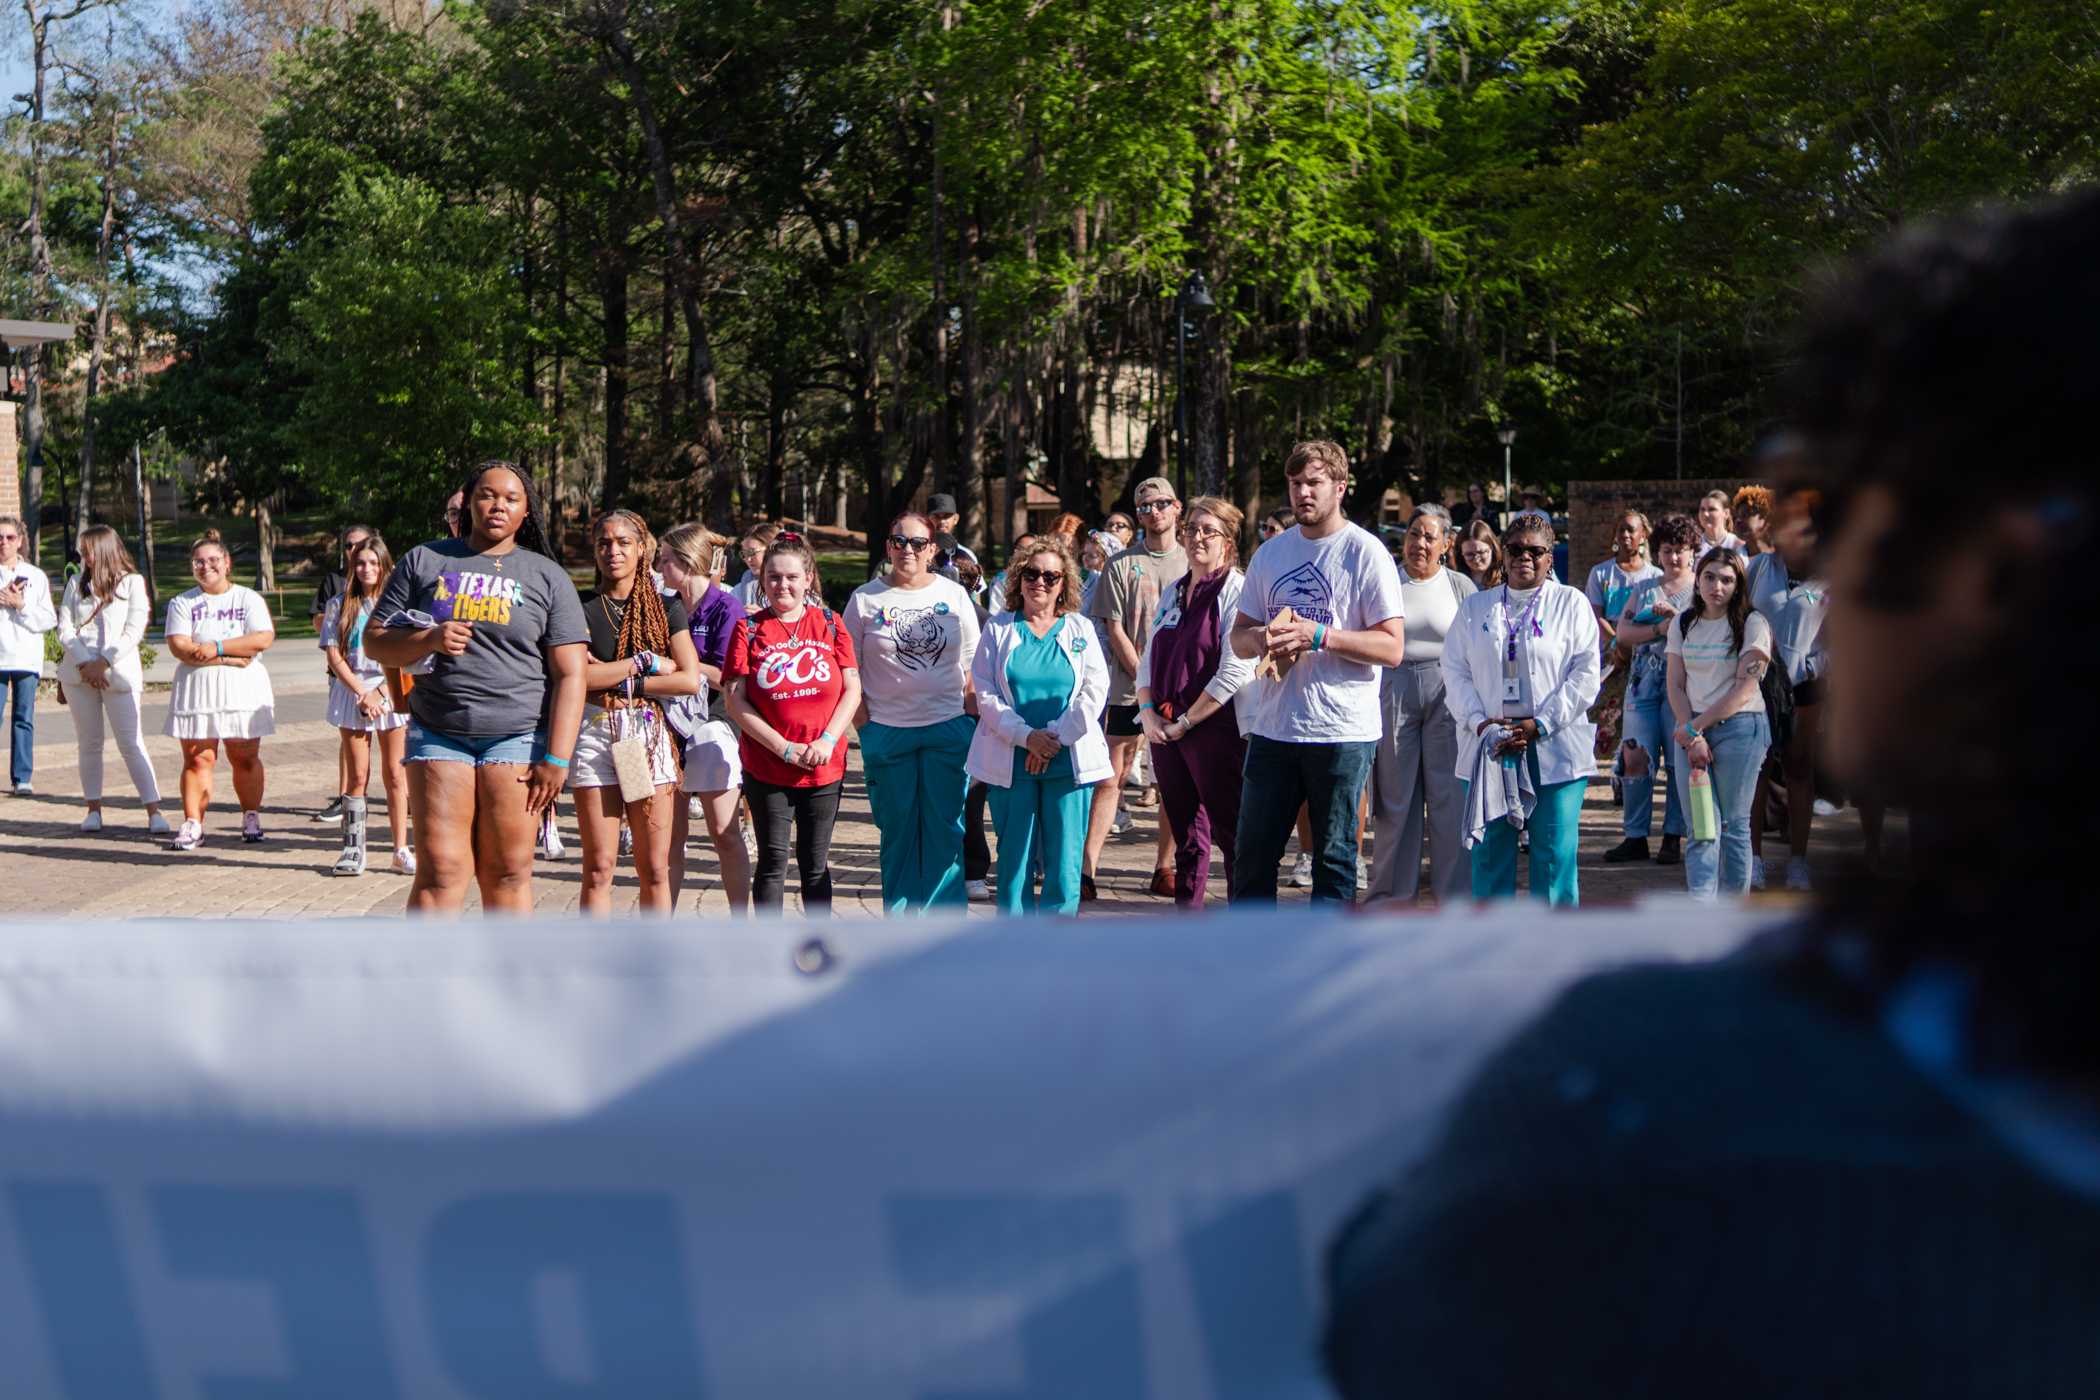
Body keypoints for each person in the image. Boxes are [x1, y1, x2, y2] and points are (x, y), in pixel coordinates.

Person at [1327, 193, 2100, 1400]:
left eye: (1825, 505)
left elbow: (1399, 1319)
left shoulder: (1650, 1102)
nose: (1820, 562)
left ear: (1994, 568)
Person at [367, 461, 588, 914]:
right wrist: (428, 638)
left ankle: (505, 981)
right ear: (468, 502)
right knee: (442, 869)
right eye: (488, 495)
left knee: (507, 870)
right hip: (439, 732)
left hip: (518, 738)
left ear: (526, 512)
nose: (498, 506)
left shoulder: (546, 575)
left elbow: (571, 674)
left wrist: (558, 758)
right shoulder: (425, 559)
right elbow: (375, 641)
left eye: (511, 498)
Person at [1228, 440, 1406, 904]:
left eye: (1314, 483)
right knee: (1251, 858)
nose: (1302, 492)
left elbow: (1391, 648)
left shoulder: (1366, 553)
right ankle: (1250, 964)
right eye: (1295, 483)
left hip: (1341, 732)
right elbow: (1239, 636)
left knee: (1333, 861)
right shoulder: (1271, 554)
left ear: (1340, 487)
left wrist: (1320, 636)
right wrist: (1264, 637)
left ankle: (1328, 965)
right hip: (1274, 729)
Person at [1440, 512, 1600, 905]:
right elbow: (1454, 671)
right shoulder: (1476, 608)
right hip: (1490, 745)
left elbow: (1585, 675)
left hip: (1554, 747)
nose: (1524, 557)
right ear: (1503, 554)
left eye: (1535, 550)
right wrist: (1480, 724)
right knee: (1492, 853)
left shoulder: (1571, 603)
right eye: (1515, 549)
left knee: (1552, 855)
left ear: (1549, 559)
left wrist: (1541, 724)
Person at [845, 512, 982, 914]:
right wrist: (866, 730)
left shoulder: (954, 595)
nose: (908, 550)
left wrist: (968, 724)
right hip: (888, 732)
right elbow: (848, 670)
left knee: (945, 831)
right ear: (888, 546)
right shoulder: (865, 599)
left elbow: (974, 666)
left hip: (947, 728)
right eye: (899, 541)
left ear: (932, 550)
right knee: (898, 833)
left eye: (918, 543)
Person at [967, 535, 1110, 914]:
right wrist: (1026, 737)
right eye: (1031, 574)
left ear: (1065, 583)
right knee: (1014, 859)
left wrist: (1053, 740)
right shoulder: (998, 629)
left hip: (1069, 761)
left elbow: (1095, 690)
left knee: (1065, 862)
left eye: (1051, 576)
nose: (1040, 582)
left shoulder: (1080, 629)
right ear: (1018, 578)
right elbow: (984, 692)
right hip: (1011, 761)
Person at [570, 510, 701, 915]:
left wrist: (616, 677)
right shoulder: (580, 607)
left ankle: (652, 965)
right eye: (604, 543)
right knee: (598, 867)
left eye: (624, 542)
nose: (614, 551)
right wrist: (642, 662)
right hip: (595, 731)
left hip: (643, 735)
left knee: (653, 868)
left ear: (642, 548)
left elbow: (688, 679)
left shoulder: (666, 607)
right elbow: (575, 678)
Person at [724, 532, 862, 914]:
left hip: (824, 767)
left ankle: (817, 953)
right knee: (771, 864)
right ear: (762, 580)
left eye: (790, 577)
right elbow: (735, 700)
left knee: (815, 866)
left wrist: (828, 739)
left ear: (808, 578)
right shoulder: (749, 629)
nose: (782, 585)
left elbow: (852, 687)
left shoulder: (831, 624)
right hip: (768, 767)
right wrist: (782, 747)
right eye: (773, 577)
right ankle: (770, 955)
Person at [1137, 496, 1254, 909]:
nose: (1198, 537)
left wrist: (1186, 722)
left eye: (1209, 530)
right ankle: (1188, 925)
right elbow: (1148, 659)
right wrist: (1148, 714)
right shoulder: (1174, 591)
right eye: (1192, 529)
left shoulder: (1237, 590)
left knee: (1232, 831)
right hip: (1165, 730)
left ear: (1228, 542)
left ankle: (1250, 927)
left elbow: (1235, 670)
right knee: (1185, 834)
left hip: (1214, 729)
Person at [1366, 505, 1476, 905]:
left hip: (1447, 690)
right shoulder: (1387, 581)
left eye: (1431, 537)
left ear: (1447, 543)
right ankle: (1391, 896)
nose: (1420, 544)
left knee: (1449, 797)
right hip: (1394, 685)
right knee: (1395, 798)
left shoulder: (1461, 586)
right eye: (1414, 534)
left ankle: (1455, 897)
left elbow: (1476, 644)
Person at [1085, 476, 1186, 899]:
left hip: (1181, 691)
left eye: (1161, 504)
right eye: (1144, 507)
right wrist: (1146, 677)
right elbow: (1113, 628)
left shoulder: (1193, 560)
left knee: (1172, 782)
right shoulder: (1121, 563)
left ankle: (1165, 867)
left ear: (1176, 507)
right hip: (1127, 689)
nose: (1153, 512)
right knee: (1111, 777)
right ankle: (1086, 869)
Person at [657, 522, 753, 913]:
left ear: (688, 561)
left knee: (723, 832)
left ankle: (741, 920)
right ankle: (662, 927)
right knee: (668, 839)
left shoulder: (726, 607)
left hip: (714, 723)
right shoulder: (664, 605)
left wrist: (679, 666)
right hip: (667, 724)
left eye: (665, 561)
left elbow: (727, 676)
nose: (659, 568)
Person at [1665, 548, 1773, 899]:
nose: (1717, 586)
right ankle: (1702, 914)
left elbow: (1745, 689)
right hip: (1692, 732)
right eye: (1710, 576)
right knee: (1701, 827)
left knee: (1734, 825)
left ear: (1738, 585)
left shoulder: (1753, 624)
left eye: (1727, 579)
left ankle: (1733, 915)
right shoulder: (1683, 622)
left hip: (1740, 729)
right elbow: (1675, 684)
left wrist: (1696, 728)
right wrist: (1691, 733)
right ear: (1697, 579)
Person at [162, 529, 278, 851]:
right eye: (198, 561)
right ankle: (193, 822)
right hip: (198, 690)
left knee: (245, 756)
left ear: (227, 563)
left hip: (242, 690)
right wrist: (229, 656)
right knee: (199, 759)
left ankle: (251, 815)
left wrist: (213, 646)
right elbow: (181, 646)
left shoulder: (247, 598)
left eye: (213, 560)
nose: (206, 566)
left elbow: (261, 639)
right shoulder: (182, 602)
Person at [51, 526, 169, 834]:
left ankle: (153, 810)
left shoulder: (131, 583)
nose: (83, 556)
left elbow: (134, 629)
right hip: (79, 675)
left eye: (88, 549)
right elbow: (65, 628)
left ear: (104, 549)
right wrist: (85, 663)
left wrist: (103, 662)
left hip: (117, 673)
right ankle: (93, 809)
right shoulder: (76, 583)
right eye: (82, 550)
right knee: (89, 743)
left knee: (131, 742)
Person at [1744, 482, 1829, 892]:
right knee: (1755, 772)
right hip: (1756, 688)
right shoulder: (1759, 568)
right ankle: (1753, 860)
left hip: (1804, 690)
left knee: (1798, 769)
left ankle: (1798, 860)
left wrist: (1809, 667)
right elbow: (1739, 618)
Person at [1602, 513, 1696, 865]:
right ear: (1657, 552)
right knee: (1634, 756)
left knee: (1677, 761)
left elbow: (1700, 636)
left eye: (1681, 550)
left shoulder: (1700, 590)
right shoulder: (1643, 589)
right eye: (1668, 550)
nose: (1674, 557)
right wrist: (1661, 629)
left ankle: (1673, 835)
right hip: (1642, 685)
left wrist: (1673, 622)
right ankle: (1635, 835)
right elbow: (1624, 634)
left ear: (1692, 552)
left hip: (1682, 686)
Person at [320, 535, 412, 876]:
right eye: (360, 562)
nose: (366, 568)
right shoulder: (338, 604)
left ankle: (400, 848)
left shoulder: (397, 605)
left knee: (395, 774)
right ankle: (353, 848)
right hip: (353, 692)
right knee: (357, 774)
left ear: (385, 564)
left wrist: (384, 695)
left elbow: (405, 655)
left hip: (390, 692)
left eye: (373, 562)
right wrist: (362, 693)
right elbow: (335, 655)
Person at [311, 523, 375, 825]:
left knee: (395, 755)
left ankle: (405, 800)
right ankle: (345, 800)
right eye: (349, 546)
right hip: (346, 678)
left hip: (384, 683)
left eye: (360, 545)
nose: (354, 552)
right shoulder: (335, 583)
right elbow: (320, 623)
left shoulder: (389, 589)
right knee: (353, 749)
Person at [0, 514, 56, 796]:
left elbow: (48, 619)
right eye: (0, 537)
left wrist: (20, 605)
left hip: (25, 657)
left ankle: (22, 777)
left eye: (10, 537)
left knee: (23, 718)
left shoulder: (35, 576)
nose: (4, 543)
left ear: (20, 541)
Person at [1583, 511, 1659, 649]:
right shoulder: (1600, 573)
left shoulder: (1655, 576)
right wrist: (1616, 643)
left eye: (1630, 530)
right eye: (1621, 530)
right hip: (1608, 649)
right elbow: (1595, 615)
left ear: (1643, 535)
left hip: (1643, 648)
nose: (1625, 535)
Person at [1455, 519, 1503, 591]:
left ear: (1493, 548)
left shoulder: (1507, 578)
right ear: (1461, 554)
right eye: (1469, 554)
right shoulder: (1455, 581)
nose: (1476, 559)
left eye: (1481, 552)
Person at [1732, 484, 1774, 557]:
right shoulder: (1733, 559)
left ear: (1766, 518)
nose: (1738, 520)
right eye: (1736, 516)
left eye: (1745, 515)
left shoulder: (1786, 559)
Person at [1696, 489, 1742, 555]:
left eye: (1712, 509)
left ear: (1726, 513)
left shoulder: (1737, 545)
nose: (1705, 514)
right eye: (1702, 509)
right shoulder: (1694, 545)